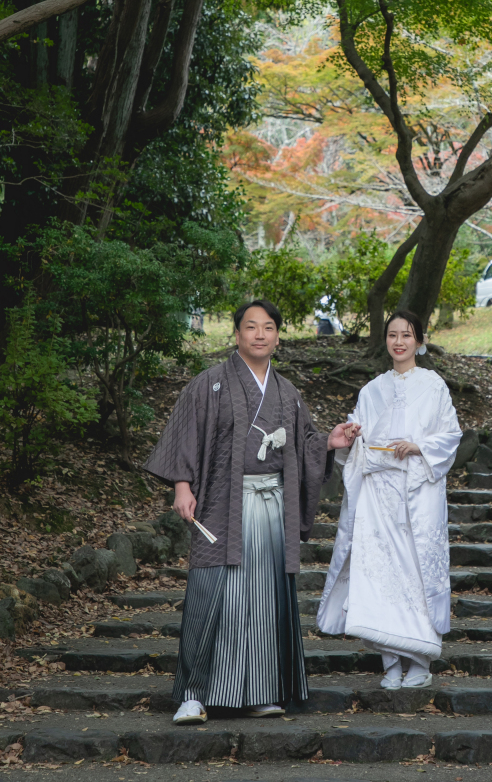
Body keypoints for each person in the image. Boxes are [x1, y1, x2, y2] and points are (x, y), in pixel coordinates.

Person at [142, 299, 360, 724]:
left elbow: (304, 445)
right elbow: (187, 436)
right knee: (211, 594)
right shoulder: (209, 384)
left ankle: (262, 690)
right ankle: (194, 694)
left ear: (278, 336)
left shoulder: (287, 392)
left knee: (265, 598)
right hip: (222, 505)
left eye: (268, 327)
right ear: (237, 333)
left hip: (272, 506)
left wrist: (330, 442)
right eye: (251, 326)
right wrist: (182, 485)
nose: (260, 334)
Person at [316, 309, 461, 689]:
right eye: (393, 335)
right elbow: (354, 442)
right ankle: (390, 663)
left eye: (407, 335)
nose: (399, 342)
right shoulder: (372, 390)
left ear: (420, 341)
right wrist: (352, 436)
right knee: (378, 576)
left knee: (414, 573)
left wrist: (419, 446)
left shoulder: (434, 386)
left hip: (416, 492)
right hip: (376, 496)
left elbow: (450, 436)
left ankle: (420, 661)